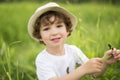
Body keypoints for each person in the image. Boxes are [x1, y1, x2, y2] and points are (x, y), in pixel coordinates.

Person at [28, 2, 120, 80]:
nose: (54, 32)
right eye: (46, 29)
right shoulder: (43, 59)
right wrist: (83, 69)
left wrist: (105, 62)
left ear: (67, 30)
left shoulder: (73, 50)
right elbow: (85, 69)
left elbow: (94, 74)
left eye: (59, 26)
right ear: (39, 36)